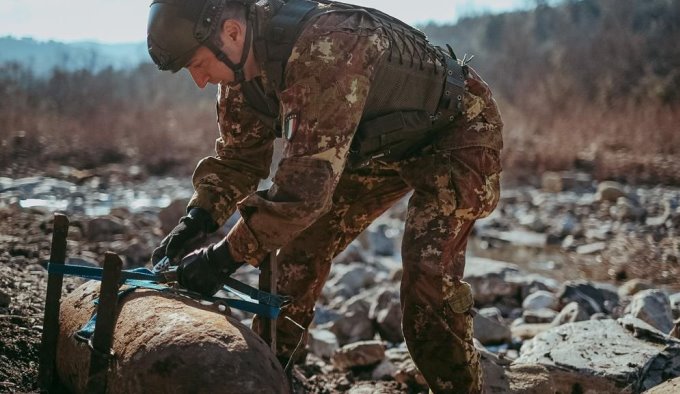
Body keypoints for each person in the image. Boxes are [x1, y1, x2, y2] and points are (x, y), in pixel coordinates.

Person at [147, 0, 503, 392]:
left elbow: (302, 193)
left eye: (197, 65)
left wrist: (222, 258)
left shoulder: (327, 45)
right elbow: (239, 160)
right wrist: (198, 218)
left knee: (427, 277)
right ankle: (273, 373)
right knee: (299, 251)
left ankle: (461, 387)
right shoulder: (235, 74)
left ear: (232, 32)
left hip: (454, 130)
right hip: (376, 145)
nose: (199, 81)